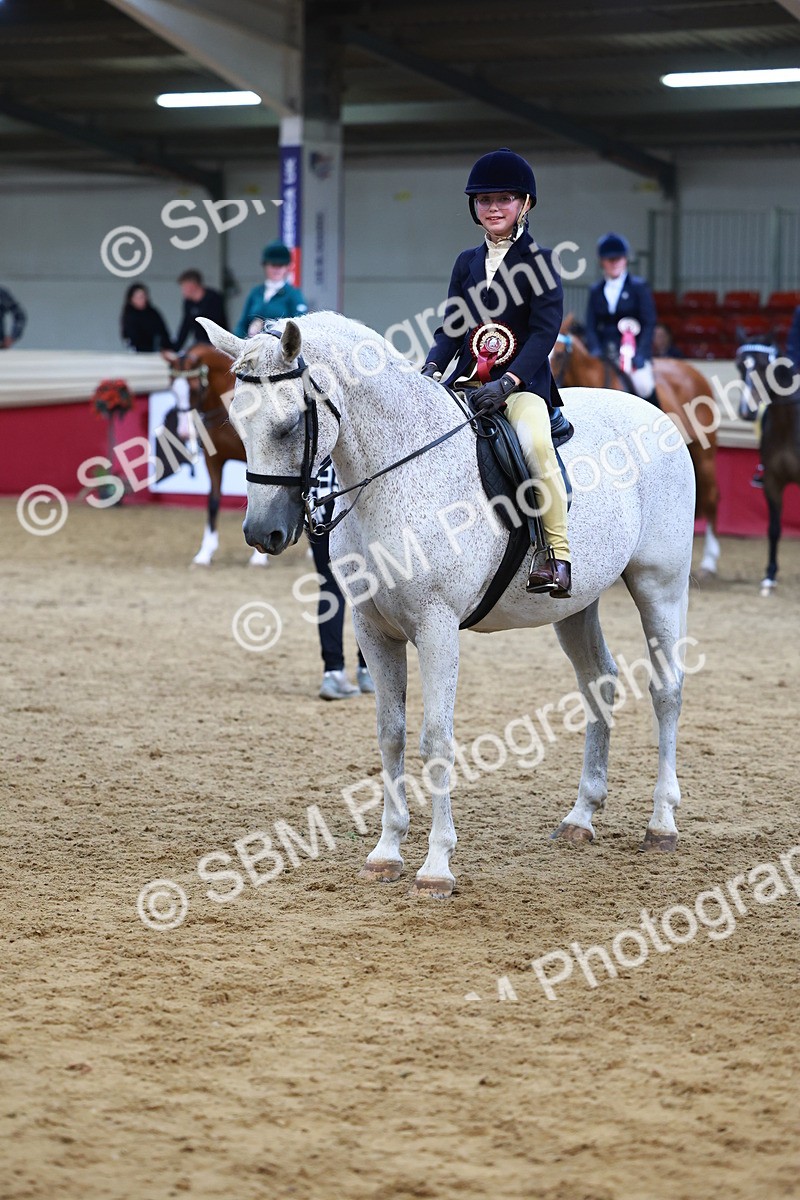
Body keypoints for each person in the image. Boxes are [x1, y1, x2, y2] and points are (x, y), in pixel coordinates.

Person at [421, 147, 571, 598]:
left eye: (504, 199)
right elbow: (452, 327)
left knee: (535, 444)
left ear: (524, 204)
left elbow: (544, 333)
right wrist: (431, 368)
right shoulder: (465, 262)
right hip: (467, 384)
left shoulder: (541, 262)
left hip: (521, 387)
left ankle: (556, 554)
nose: (493, 208)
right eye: (484, 200)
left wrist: (508, 382)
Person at [308, 462, 374, 700]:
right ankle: (368, 669)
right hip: (351, 502)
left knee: (329, 588)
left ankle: (333, 672)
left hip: (318, 504)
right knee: (367, 587)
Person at [585, 233, 658, 402]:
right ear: (602, 262)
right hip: (604, 352)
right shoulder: (596, 290)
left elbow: (649, 323)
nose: (614, 263)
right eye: (609, 260)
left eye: (617, 259)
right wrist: (595, 350)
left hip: (633, 351)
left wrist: (641, 354)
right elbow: (591, 325)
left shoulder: (638, 287)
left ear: (625, 260)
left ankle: (657, 416)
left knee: (644, 384)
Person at [234, 240, 308, 337]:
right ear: (265, 266)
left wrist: (265, 327)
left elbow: (300, 326)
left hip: (279, 344)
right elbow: (242, 324)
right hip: (252, 342)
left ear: (287, 267)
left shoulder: (293, 294)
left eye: (281, 265)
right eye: (273, 265)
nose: (276, 270)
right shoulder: (255, 293)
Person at [173, 269, 227, 351]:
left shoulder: (213, 298)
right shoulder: (188, 303)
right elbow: (185, 326)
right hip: (199, 344)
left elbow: (217, 324)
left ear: (192, 286)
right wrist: (175, 348)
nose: (182, 291)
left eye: (184, 287)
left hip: (217, 345)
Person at [121, 282, 173, 352]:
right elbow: (128, 337)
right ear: (131, 299)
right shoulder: (129, 316)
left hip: (155, 351)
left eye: (143, 297)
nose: (141, 300)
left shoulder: (153, 313)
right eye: (138, 297)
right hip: (137, 352)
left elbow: (163, 333)